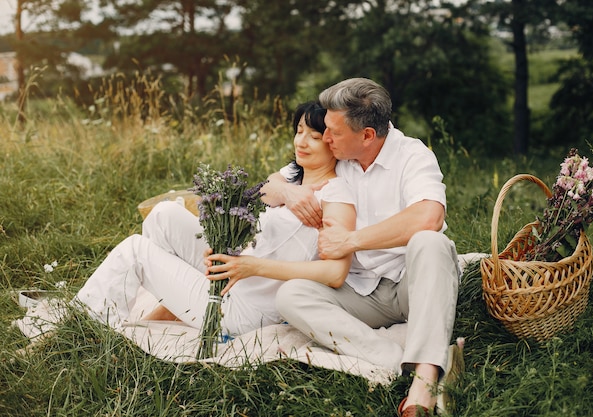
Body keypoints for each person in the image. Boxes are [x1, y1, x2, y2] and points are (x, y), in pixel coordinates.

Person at [73, 101, 356, 338]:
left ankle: (83, 329)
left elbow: (335, 274)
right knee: (164, 214)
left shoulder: (336, 196)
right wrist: (287, 192)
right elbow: (266, 189)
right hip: (232, 277)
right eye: (299, 131)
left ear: (333, 143)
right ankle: (172, 303)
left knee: (134, 250)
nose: (301, 142)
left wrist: (253, 266)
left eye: (315, 137)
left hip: (245, 309)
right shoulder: (293, 176)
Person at [264, 78, 460, 417]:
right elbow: (271, 184)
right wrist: (289, 192)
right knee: (290, 295)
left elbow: (429, 215)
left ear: (367, 135)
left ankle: (425, 379)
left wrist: (351, 240)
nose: (325, 138)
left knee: (431, 241)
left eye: (333, 133)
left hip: (410, 285)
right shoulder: (340, 155)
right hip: (358, 291)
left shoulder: (412, 156)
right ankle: (388, 356)